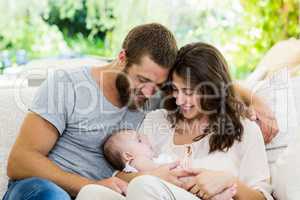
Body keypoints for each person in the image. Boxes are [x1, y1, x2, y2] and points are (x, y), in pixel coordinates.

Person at [3, 22, 277, 200]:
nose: (149, 93)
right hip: (43, 189)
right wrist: (92, 183)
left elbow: (208, 81)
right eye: (143, 81)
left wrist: (256, 99)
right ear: (122, 58)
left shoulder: (158, 100)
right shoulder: (68, 85)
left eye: (159, 86)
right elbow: (19, 162)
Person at [76, 42, 273, 200]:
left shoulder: (244, 129)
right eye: (175, 90)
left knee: (144, 187)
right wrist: (154, 175)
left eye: (188, 92)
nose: (179, 100)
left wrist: (228, 181)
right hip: (148, 192)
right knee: (91, 193)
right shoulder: (158, 121)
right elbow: (121, 176)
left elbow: (262, 197)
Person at [102, 129, 237, 200]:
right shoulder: (138, 161)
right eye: (139, 140)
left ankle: (218, 195)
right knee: (191, 181)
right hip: (172, 182)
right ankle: (218, 196)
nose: (145, 139)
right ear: (128, 156)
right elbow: (157, 172)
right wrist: (176, 164)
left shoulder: (136, 167)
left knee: (196, 183)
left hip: (171, 187)